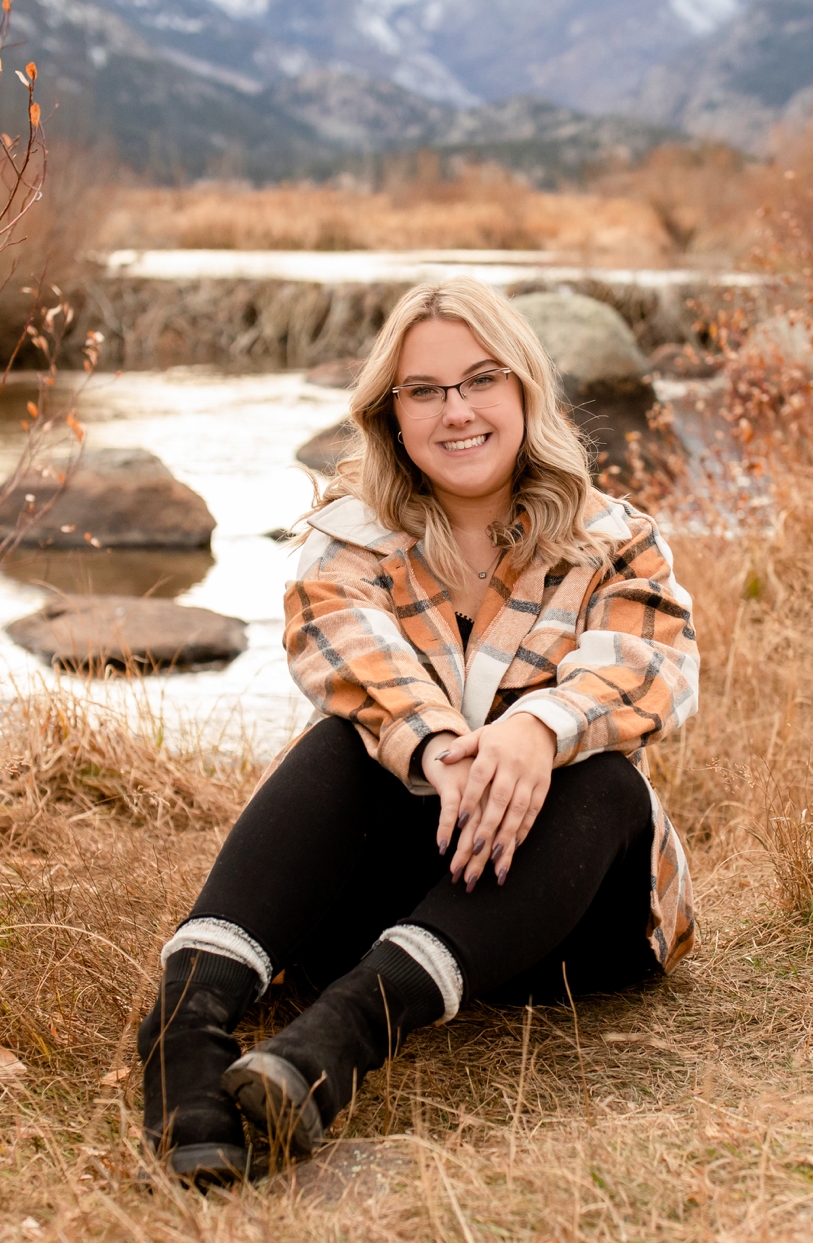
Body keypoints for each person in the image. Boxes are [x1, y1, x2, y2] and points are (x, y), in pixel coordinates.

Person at [134, 279, 699, 1187]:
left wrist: (538, 731)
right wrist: (439, 745)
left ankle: (345, 1035)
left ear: (523, 392)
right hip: (394, 899)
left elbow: (656, 665)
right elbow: (342, 648)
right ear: (391, 414)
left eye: (480, 381)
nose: (457, 410)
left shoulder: (615, 538)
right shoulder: (350, 536)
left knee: (609, 783)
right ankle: (183, 1028)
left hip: (565, 923)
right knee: (342, 743)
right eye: (424, 390)